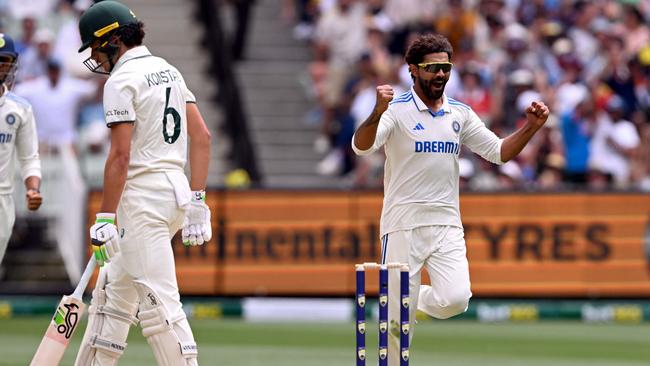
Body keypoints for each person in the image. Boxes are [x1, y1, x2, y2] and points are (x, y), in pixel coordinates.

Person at [351, 33, 550, 365]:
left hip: (447, 223)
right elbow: (361, 145)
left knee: (456, 299)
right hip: (403, 224)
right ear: (413, 70)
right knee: (398, 330)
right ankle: (403, 305)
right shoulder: (396, 110)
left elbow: (499, 152)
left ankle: (409, 298)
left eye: (445, 67)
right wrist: (376, 111)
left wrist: (530, 127)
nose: (441, 74)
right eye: (432, 68)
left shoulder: (460, 113)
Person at [72, 2, 212, 365]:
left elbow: (120, 157)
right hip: (174, 194)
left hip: (143, 202)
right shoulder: (168, 69)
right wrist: (197, 200)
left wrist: (104, 217)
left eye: (96, 48)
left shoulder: (121, 81)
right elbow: (203, 136)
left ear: (114, 39)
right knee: (112, 299)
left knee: (160, 305)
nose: (96, 57)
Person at [0, 33, 42, 265]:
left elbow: (29, 158)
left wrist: (33, 189)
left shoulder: (20, 109)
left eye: (3, 61)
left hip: (2, 201)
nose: (0, 67)